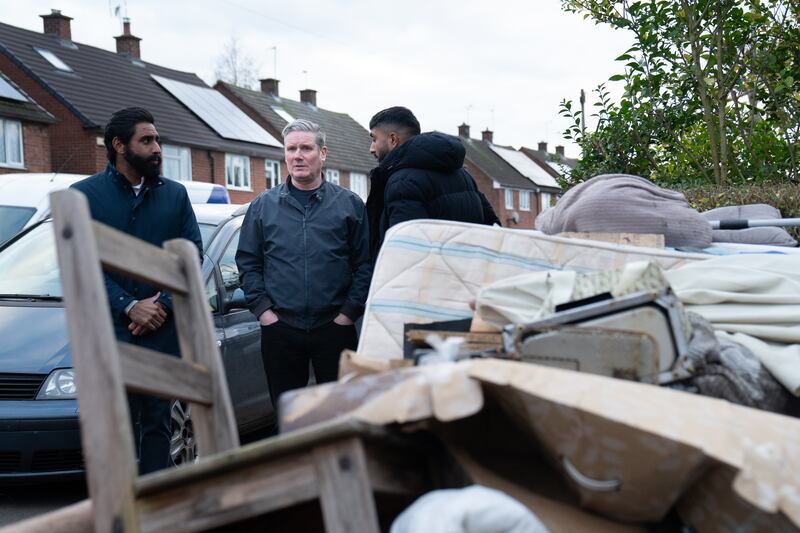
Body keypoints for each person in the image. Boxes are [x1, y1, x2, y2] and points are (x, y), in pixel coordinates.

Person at [71, 107, 202, 474]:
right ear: (118, 145)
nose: (157, 147)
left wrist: (160, 306)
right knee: (116, 429)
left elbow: (192, 256)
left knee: (159, 425)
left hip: (163, 333)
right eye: (147, 140)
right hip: (112, 334)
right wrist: (129, 306)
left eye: (157, 139)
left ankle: (155, 510)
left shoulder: (175, 196)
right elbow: (82, 264)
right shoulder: (83, 196)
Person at [236, 119, 371, 412]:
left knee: (341, 416)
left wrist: (348, 314)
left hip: (335, 328)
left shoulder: (349, 205)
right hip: (281, 330)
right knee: (289, 418)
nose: (297, 155)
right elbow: (248, 262)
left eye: (306, 148)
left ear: (323, 153)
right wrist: (264, 312)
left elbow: (365, 265)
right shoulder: (262, 206)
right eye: (291, 148)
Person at [366, 106, 500, 261]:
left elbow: (406, 253)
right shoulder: (464, 176)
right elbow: (492, 229)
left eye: (374, 139)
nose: (371, 148)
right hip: (470, 278)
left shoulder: (402, 183)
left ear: (393, 140)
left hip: (427, 282)